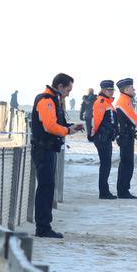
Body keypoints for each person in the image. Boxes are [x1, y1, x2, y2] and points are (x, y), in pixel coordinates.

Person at [30, 73, 83, 238]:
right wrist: (67, 130)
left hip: (49, 148)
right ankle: (43, 228)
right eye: (68, 89)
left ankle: (45, 226)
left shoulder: (54, 100)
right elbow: (49, 126)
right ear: (60, 86)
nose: (69, 93)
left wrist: (70, 127)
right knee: (45, 188)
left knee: (48, 187)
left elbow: (55, 124)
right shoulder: (47, 100)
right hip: (43, 149)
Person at [90, 80, 118, 199]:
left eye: (112, 90)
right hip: (102, 137)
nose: (111, 92)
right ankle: (103, 192)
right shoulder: (101, 102)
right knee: (105, 164)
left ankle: (104, 191)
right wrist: (95, 134)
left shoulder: (107, 102)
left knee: (106, 164)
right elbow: (96, 121)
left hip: (106, 137)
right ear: (103, 90)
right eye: (108, 90)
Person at [114, 78, 137, 199]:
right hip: (125, 136)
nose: (134, 90)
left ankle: (123, 190)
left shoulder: (125, 100)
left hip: (126, 135)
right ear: (127, 89)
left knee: (126, 163)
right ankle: (123, 191)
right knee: (127, 164)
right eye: (132, 88)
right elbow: (134, 120)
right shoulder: (124, 101)